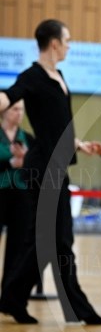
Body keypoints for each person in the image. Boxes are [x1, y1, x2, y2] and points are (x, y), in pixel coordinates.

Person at [0, 19, 101, 325]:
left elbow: (57, 125)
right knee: (60, 240)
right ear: (54, 43)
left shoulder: (58, 76)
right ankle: (76, 309)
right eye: (67, 40)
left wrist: (80, 144)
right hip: (42, 169)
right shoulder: (32, 76)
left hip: (57, 166)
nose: (70, 46)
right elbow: (8, 97)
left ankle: (12, 298)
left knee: (46, 241)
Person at [0, 100, 34, 293]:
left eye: (21, 110)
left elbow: (37, 166)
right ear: (4, 111)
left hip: (21, 196)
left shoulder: (27, 138)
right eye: (15, 109)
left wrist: (26, 160)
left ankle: (8, 292)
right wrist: (10, 163)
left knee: (18, 245)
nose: (19, 113)